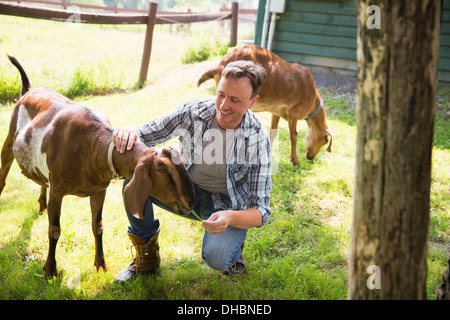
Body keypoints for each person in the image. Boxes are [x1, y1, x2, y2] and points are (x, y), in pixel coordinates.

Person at [112, 60, 272, 283]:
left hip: (227, 206)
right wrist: (129, 132)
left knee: (218, 258)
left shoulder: (258, 138)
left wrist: (230, 217)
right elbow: (146, 133)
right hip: (184, 190)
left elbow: (262, 210)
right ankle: (147, 256)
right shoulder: (194, 111)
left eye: (235, 100)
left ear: (252, 102)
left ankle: (233, 250)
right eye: (221, 94)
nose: (224, 105)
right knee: (137, 179)